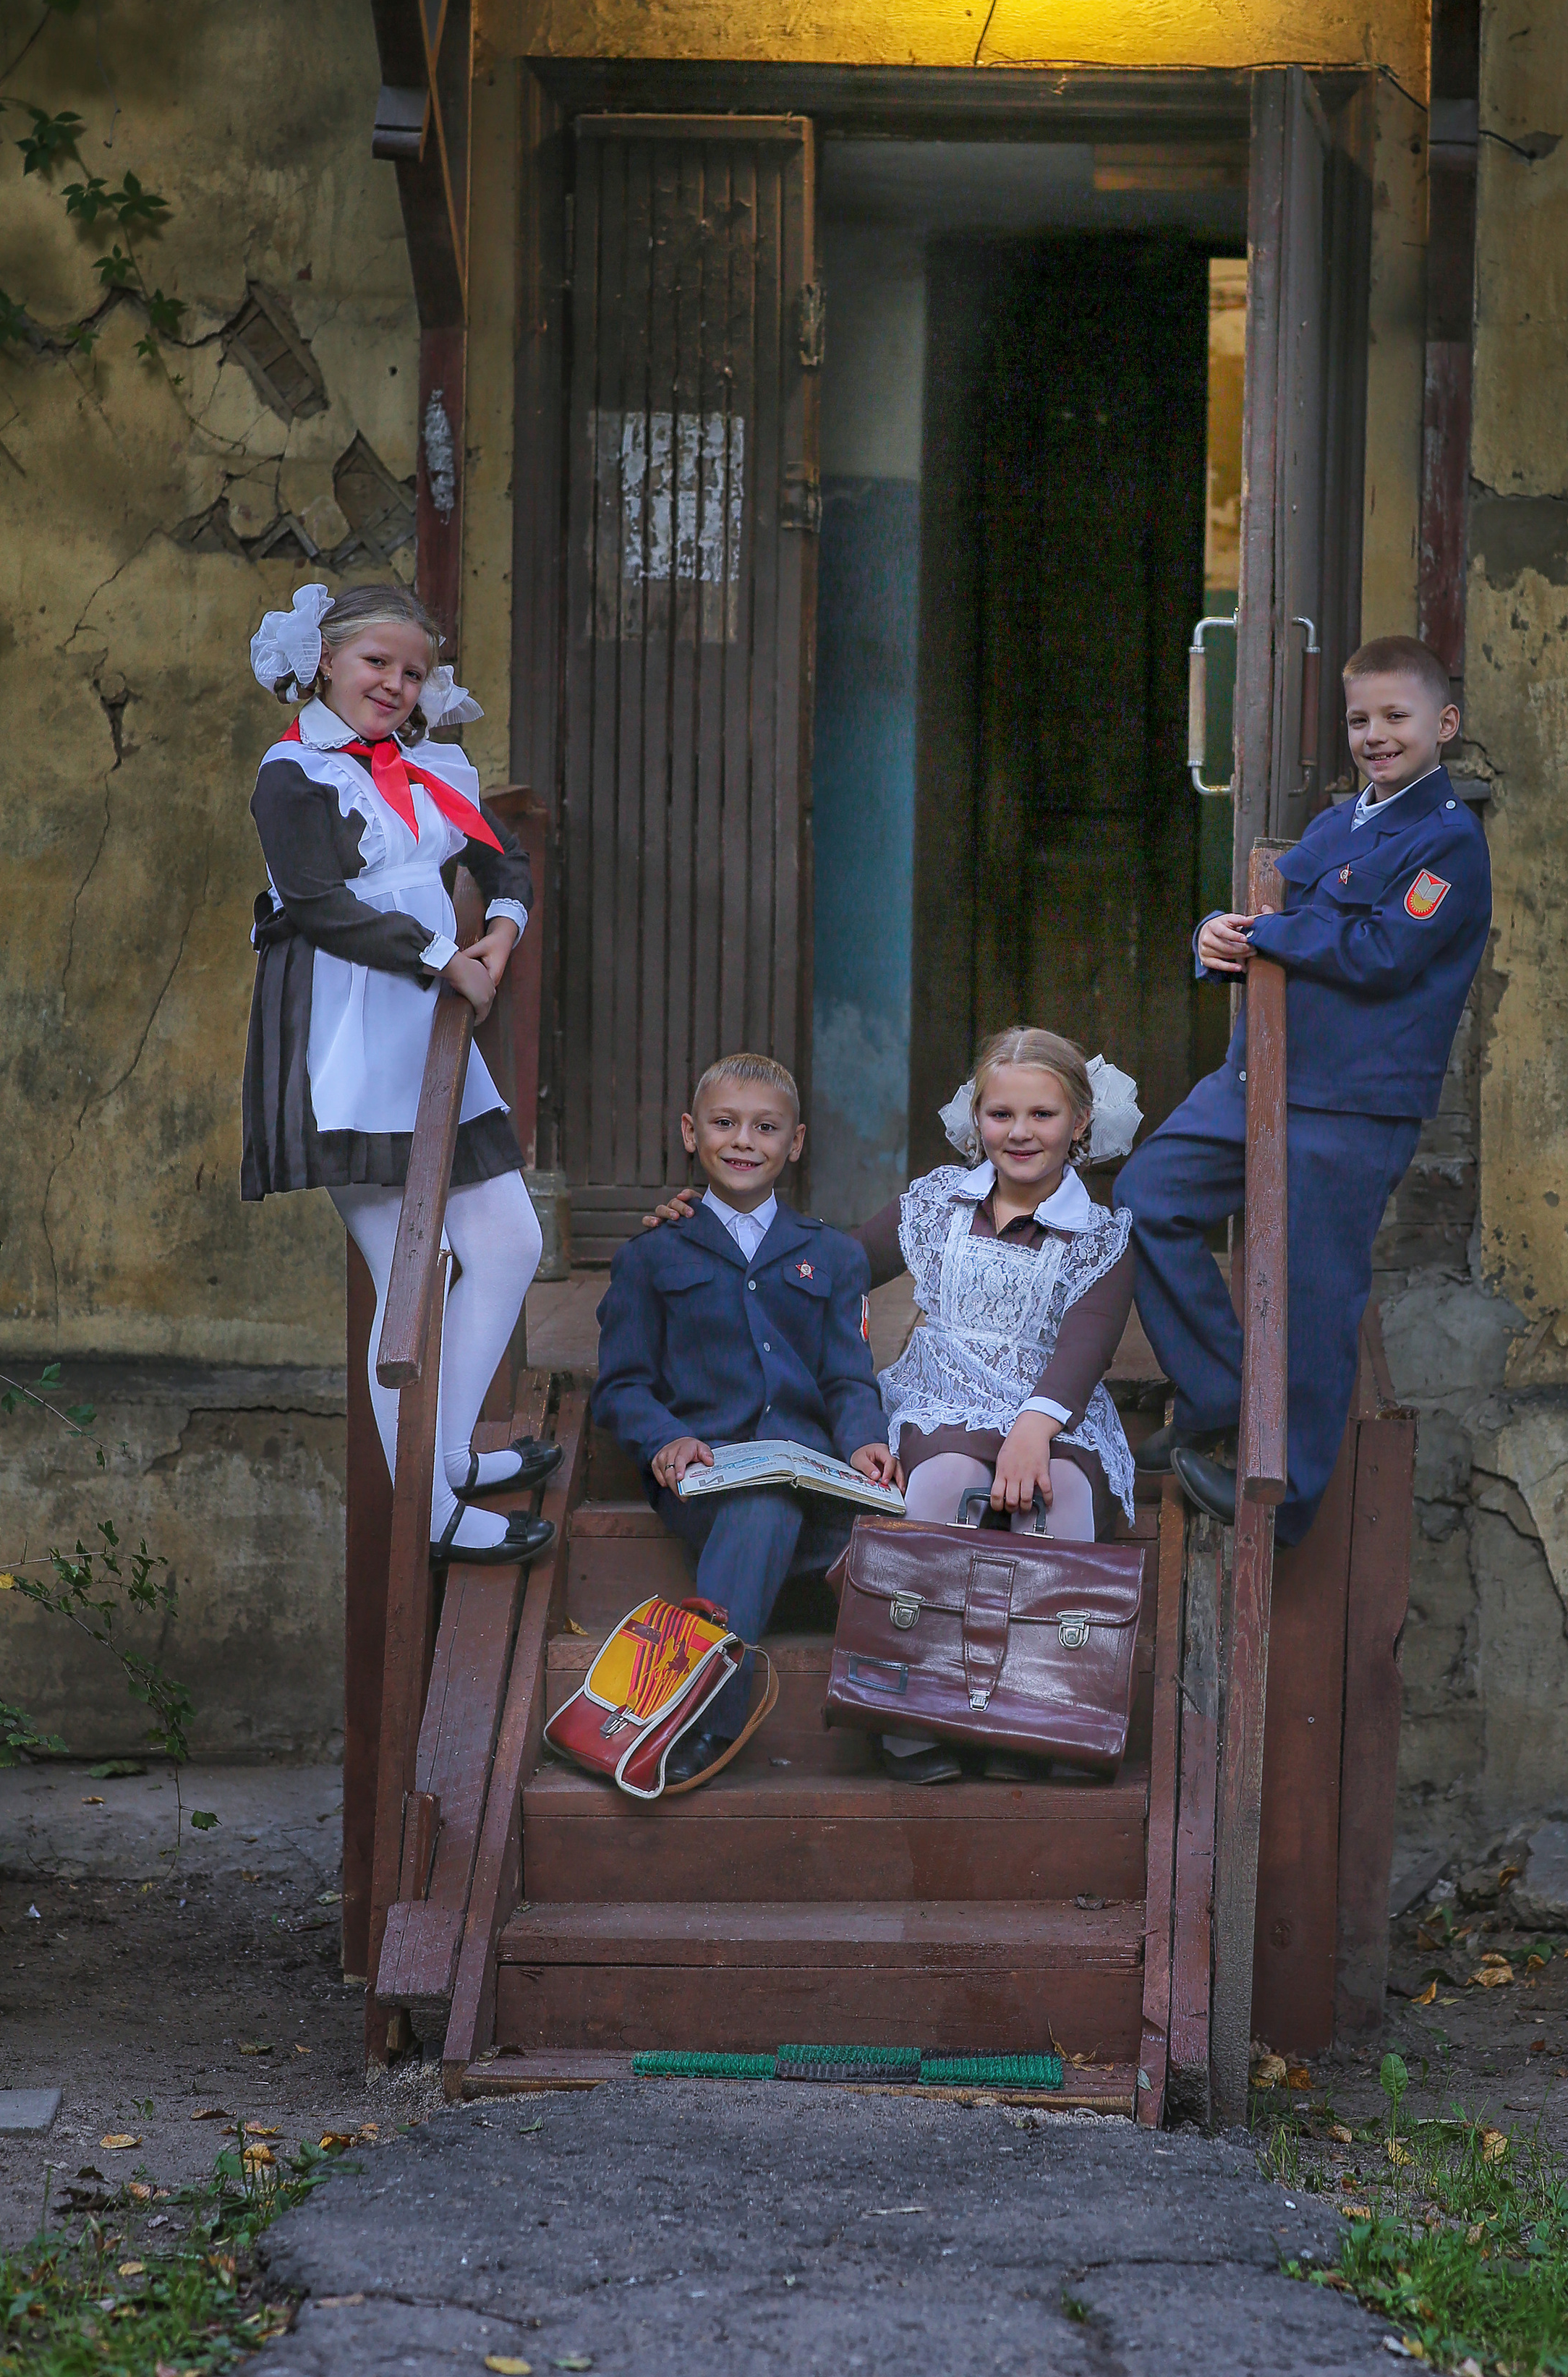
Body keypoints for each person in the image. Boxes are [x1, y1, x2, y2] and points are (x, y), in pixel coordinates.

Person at [1115, 634, 1491, 1548]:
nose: (1375, 735)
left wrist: (1271, 938)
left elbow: (1381, 954)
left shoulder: (1449, 842)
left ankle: (1284, 1500)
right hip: (1256, 1076)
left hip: (1351, 1101)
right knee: (1142, 1199)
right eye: (1360, 719)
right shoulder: (1337, 826)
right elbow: (1265, 912)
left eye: (1396, 717)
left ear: (1443, 724)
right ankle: (1218, 1399)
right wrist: (1216, 934)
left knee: (1316, 1293)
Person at [242, 580, 555, 1568]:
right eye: (377, 662)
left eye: (413, 670)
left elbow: (505, 867)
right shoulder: (293, 775)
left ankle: (451, 1458)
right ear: (327, 659)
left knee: (507, 1239)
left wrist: (497, 943)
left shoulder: (431, 763)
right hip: (344, 1035)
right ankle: (429, 1505)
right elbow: (318, 903)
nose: (395, 683)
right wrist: (440, 960)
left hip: (434, 1025)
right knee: (409, 1282)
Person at [592, 1053, 896, 1787]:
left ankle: (912, 1726)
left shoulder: (831, 1255)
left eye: (766, 1127)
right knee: (761, 1509)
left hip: (813, 1474)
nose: (743, 1141)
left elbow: (846, 1375)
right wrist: (665, 1438)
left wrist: (864, 1441)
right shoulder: (652, 1255)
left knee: (889, 1538)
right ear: (692, 1134)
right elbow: (622, 1384)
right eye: (725, 1124)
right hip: (710, 1482)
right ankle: (700, 1721)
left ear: (795, 1143)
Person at [860, 1026, 1142, 1784]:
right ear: (974, 1116)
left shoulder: (1101, 1234)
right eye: (1000, 1114)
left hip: (1050, 1407)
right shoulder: (934, 1205)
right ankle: (917, 1709)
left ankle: (1048, 1712)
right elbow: (833, 1266)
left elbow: (1087, 1344)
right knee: (944, 1483)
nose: (1019, 1133)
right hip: (943, 1391)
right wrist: (733, 1221)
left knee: (1062, 1497)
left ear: (1080, 1121)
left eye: (1042, 1115)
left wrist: (1032, 1432)